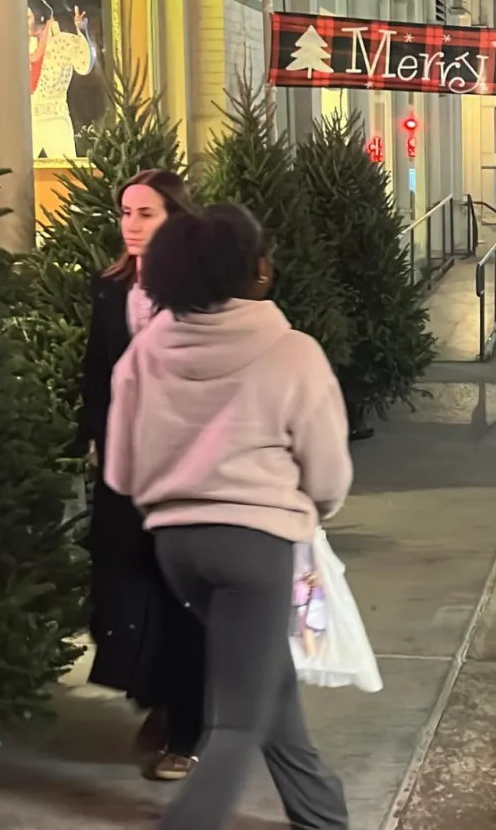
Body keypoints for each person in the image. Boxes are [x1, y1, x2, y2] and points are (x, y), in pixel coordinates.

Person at [105, 203, 352, 830]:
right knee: (237, 721)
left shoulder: (143, 355)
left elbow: (122, 471)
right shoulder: (292, 352)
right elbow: (327, 474)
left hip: (174, 548)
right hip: (256, 550)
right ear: (256, 271)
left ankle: (321, 815)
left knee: (265, 682)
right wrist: (309, 512)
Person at [79, 168, 204, 781]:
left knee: (183, 595)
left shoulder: (205, 291)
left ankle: (186, 729)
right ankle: (154, 692)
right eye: (125, 212)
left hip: (186, 467)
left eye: (145, 213)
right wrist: (100, 444)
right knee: (123, 587)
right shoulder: (109, 290)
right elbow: (95, 374)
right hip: (124, 469)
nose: (130, 224)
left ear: (175, 218)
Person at [27, 0, 97, 161]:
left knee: (66, 171)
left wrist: (82, 31)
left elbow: (84, 65)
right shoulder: (23, 45)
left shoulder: (61, 42)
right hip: (28, 122)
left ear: (40, 17)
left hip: (55, 119)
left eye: (27, 17)